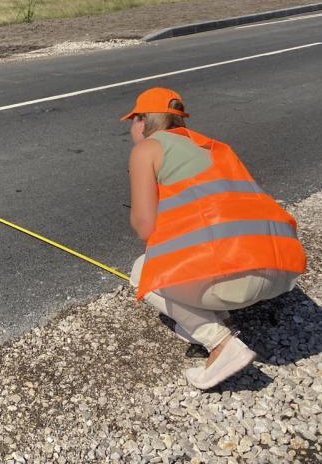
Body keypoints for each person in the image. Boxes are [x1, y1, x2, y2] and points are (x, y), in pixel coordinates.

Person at [122, 87, 306, 390]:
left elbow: (144, 227)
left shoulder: (147, 149)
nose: (132, 128)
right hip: (281, 269)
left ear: (143, 121)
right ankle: (217, 316)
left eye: (134, 120)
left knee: (143, 271)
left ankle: (220, 343)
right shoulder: (214, 147)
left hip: (235, 280)